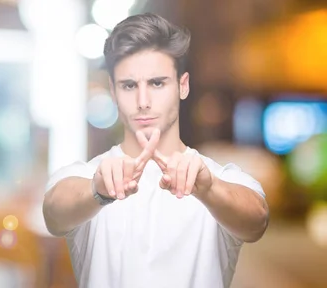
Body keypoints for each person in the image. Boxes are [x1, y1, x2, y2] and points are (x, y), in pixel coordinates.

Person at [42, 13, 269, 288]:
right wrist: (97, 189)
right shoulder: (87, 175)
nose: (143, 101)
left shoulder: (218, 178)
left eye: (157, 83)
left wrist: (208, 189)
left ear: (182, 86)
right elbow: (54, 213)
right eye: (129, 85)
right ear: (113, 92)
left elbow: (257, 222)